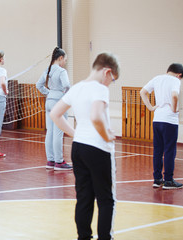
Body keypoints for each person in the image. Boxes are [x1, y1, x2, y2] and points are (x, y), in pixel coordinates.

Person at [50, 53, 119, 240]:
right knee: (105, 199)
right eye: (112, 80)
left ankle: (84, 237)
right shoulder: (99, 89)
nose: (109, 83)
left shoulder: (77, 88)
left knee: (84, 197)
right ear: (107, 72)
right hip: (98, 148)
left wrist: (76, 133)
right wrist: (107, 136)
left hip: (78, 147)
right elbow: (96, 116)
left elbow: (55, 114)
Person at [140, 63, 183, 190]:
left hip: (157, 119)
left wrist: (150, 107)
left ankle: (157, 179)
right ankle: (168, 180)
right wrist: (174, 108)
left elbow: (142, 92)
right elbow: (175, 95)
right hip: (169, 120)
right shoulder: (175, 80)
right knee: (170, 150)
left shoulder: (157, 78)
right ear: (179, 75)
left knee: (158, 150)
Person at [36, 47, 72, 170]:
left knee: (50, 132)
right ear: (60, 58)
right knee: (58, 132)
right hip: (58, 101)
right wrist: (64, 95)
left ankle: (50, 160)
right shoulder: (62, 71)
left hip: (49, 100)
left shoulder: (48, 70)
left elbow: (38, 85)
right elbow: (67, 85)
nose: (65, 62)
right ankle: (59, 161)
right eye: (65, 60)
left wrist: (48, 93)